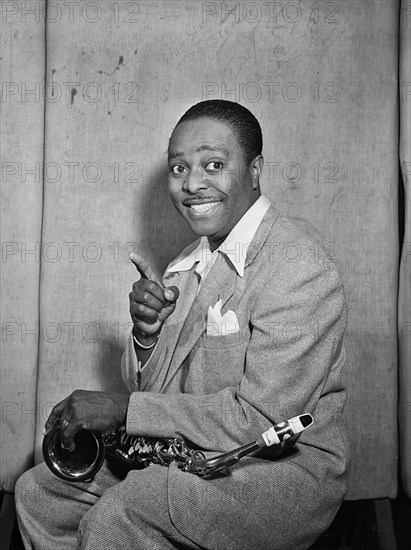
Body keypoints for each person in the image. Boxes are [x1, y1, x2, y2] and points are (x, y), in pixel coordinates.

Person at [15, 100, 349, 550]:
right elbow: (152, 390)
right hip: (197, 457)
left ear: (254, 170)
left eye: (214, 164)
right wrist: (147, 337)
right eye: (178, 168)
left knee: (119, 518)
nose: (192, 184)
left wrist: (123, 410)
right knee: (38, 494)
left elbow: (261, 420)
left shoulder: (299, 265)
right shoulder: (185, 264)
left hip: (278, 472)